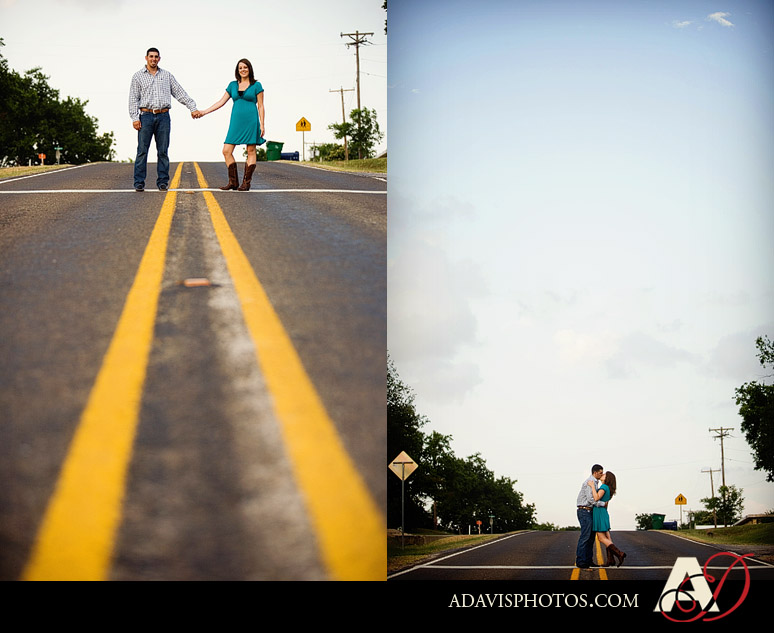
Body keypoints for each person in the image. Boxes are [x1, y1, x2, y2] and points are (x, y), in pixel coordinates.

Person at [128, 47, 201, 192]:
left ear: (159, 59)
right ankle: (139, 182)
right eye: (151, 57)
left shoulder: (167, 75)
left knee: (163, 151)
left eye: (156, 57)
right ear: (146, 58)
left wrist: (192, 107)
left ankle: (162, 182)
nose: (153, 59)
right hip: (146, 116)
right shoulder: (138, 76)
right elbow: (133, 98)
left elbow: (180, 92)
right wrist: (135, 118)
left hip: (163, 116)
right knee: (142, 150)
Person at [198, 58, 266, 191]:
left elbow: (261, 106)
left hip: (251, 121)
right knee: (226, 150)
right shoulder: (232, 85)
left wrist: (262, 124)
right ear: (237, 70)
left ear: (249, 69)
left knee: (251, 150)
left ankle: (246, 183)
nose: (243, 70)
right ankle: (233, 182)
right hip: (236, 122)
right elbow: (220, 102)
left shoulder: (256, 85)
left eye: (245, 67)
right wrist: (204, 111)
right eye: (240, 68)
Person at [588, 471, 627, 567]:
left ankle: (619, 553)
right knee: (607, 537)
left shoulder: (604, 487)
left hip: (600, 513)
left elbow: (596, 498)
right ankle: (611, 560)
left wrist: (592, 486)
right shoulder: (609, 489)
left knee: (601, 538)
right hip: (603, 513)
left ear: (607, 478)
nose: (602, 475)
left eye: (604, 474)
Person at [576, 464, 606, 569]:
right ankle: (580, 561)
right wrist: (602, 504)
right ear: (595, 472)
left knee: (591, 538)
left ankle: (588, 560)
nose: (602, 474)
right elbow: (591, 499)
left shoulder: (595, 483)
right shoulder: (589, 483)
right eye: (601, 472)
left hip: (590, 511)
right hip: (584, 511)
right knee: (585, 536)